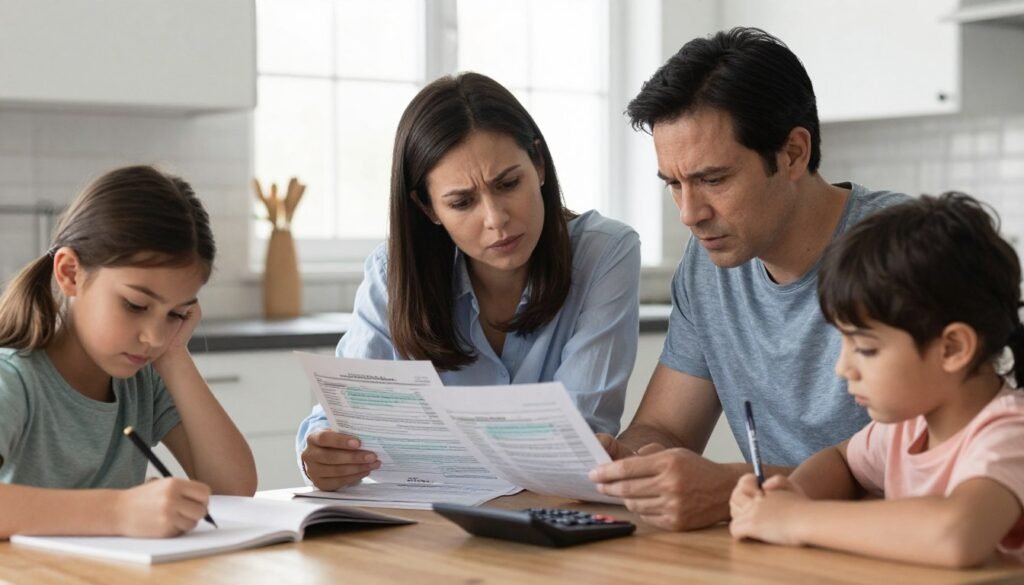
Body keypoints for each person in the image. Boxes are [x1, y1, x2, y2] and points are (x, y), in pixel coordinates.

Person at [589, 27, 908, 531]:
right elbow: (668, 426)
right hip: (774, 546)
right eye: (674, 184)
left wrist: (737, 490)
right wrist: (627, 462)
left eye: (713, 180)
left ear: (794, 154)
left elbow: (946, 463)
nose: (689, 214)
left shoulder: (907, 249)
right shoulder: (707, 264)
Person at [297, 72, 641, 491]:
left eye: (509, 183)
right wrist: (322, 455)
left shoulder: (605, 253)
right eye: (461, 202)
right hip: (429, 531)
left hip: (554, 521)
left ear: (539, 163)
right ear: (428, 208)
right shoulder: (393, 273)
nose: (496, 219)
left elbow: (579, 435)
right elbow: (338, 417)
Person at [729, 193, 1024, 568]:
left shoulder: (1010, 433)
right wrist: (786, 495)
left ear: (952, 347)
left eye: (865, 348)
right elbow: (842, 461)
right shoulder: (906, 427)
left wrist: (795, 519)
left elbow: (956, 535)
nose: (843, 368)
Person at [0, 165, 257, 539]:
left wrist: (174, 355)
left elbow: (234, 488)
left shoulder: (144, 379)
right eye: (136, 305)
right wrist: (119, 512)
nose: (153, 336)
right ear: (71, 273)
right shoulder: (13, 378)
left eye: (176, 314)